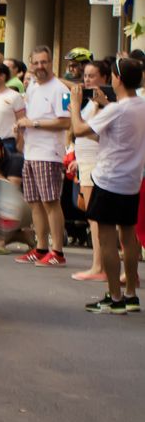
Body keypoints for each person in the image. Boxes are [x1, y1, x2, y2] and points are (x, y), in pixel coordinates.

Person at [68, 57, 145, 313]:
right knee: (129, 237)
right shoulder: (140, 105)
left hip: (109, 179)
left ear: (118, 79)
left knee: (108, 239)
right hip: (132, 180)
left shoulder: (117, 109)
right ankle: (131, 294)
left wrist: (75, 105)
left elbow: (79, 129)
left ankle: (114, 297)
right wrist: (105, 104)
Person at [14, 45, 71, 268]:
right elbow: (28, 115)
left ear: (51, 63)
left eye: (44, 62)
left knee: (50, 202)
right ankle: (40, 248)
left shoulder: (61, 89)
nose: (40, 67)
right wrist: (21, 127)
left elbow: (65, 122)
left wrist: (33, 123)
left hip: (49, 153)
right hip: (31, 151)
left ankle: (57, 250)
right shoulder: (33, 88)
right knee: (34, 202)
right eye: (36, 63)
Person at [68, 59, 112, 281]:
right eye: (85, 75)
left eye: (92, 75)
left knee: (96, 219)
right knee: (93, 217)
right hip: (85, 162)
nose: (87, 80)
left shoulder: (104, 103)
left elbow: (96, 134)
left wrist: (75, 108)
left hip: (96, 163)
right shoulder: (91, 101)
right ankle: (100, 265)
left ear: (105, 78)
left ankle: (99, 266)